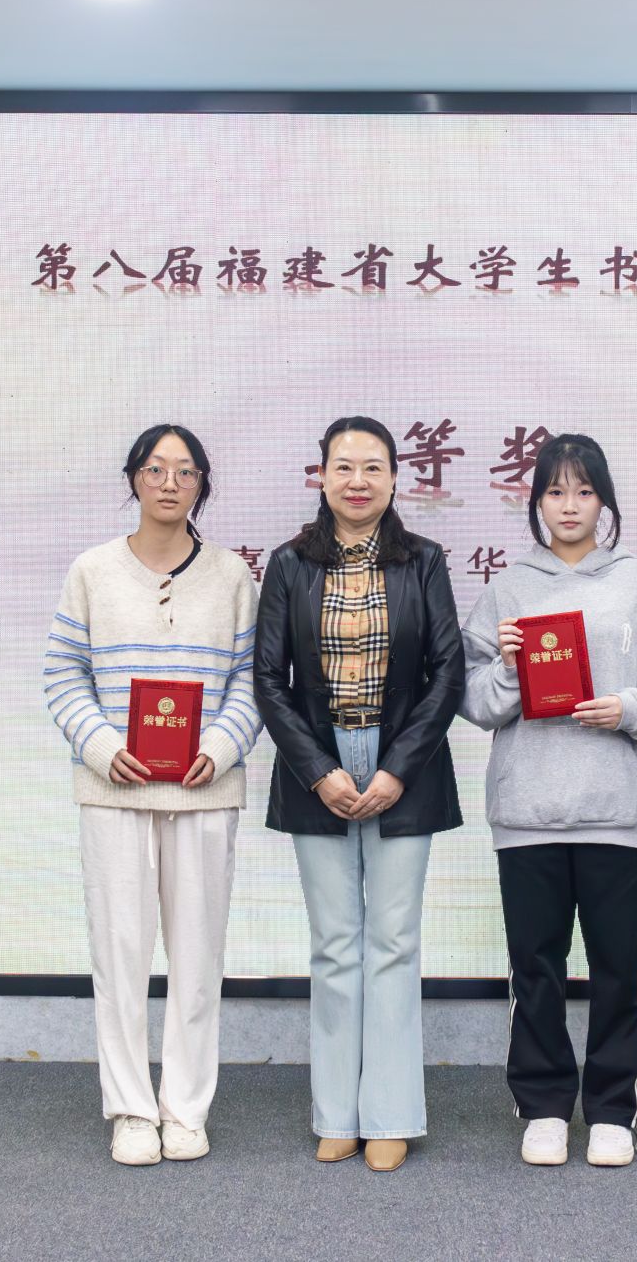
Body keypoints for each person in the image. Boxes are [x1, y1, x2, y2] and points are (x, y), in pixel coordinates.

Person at [460, 433, 637, 1168]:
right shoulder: (508, 589)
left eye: (584, 491)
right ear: (536, 502)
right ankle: (543, 1106)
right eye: (556, 491)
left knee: (620, 969)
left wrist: (626, 708)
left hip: (619, 812)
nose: (570, 506)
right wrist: (507, 667)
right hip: (528, 812)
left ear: (605, 502)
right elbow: (472, 698)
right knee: (535, 967)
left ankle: (613, 1109)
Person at [43, 424, 262, 1167]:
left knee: (198, 961)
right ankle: (133, 1109)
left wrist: (219, 746)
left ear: (202, 484)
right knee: (120, 956)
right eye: (157, 468)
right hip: (114, 794)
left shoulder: (232, 576)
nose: (171, 483)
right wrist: (102, 746)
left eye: (186, 471)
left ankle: (186, 1108)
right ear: (134, 477)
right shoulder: (92, 571)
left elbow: (253, 681)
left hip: (204, 793)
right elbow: (62, 673)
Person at [254, 416, 465, 1172]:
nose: (357, 481)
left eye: (373, 467)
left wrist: (397, 767)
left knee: (394, 941)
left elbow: (448, 671)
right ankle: (337, 1112)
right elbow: (268, 679)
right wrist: (319, 769)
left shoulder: (424, 560)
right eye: (343, 466)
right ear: (321, 477)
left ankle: (391, 1114)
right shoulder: (289, 564)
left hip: (403, 763)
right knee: (336, 942)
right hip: (318, 764)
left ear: (396, 478)